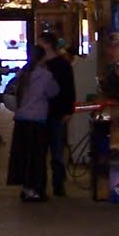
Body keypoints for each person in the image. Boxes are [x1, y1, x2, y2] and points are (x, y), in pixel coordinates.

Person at [6, 45, 58, 202]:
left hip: (21, 119)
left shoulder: (23, 73)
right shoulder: (45, 75)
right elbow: (53, 92)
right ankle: (35, 190)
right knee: (36, 157)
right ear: (42, 58)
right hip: (37, 120)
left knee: (23, 156)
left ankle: (25, 188)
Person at [38, 32, 77, 197]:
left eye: (39, 43)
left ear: (47, 45)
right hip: (40, 114)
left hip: (56, 114)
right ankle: (40, 185)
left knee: (57, 153)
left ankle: (58, 185)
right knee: (41, 152)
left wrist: (68, 110)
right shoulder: (39, 64)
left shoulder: (61, 64)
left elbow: (69, 88)